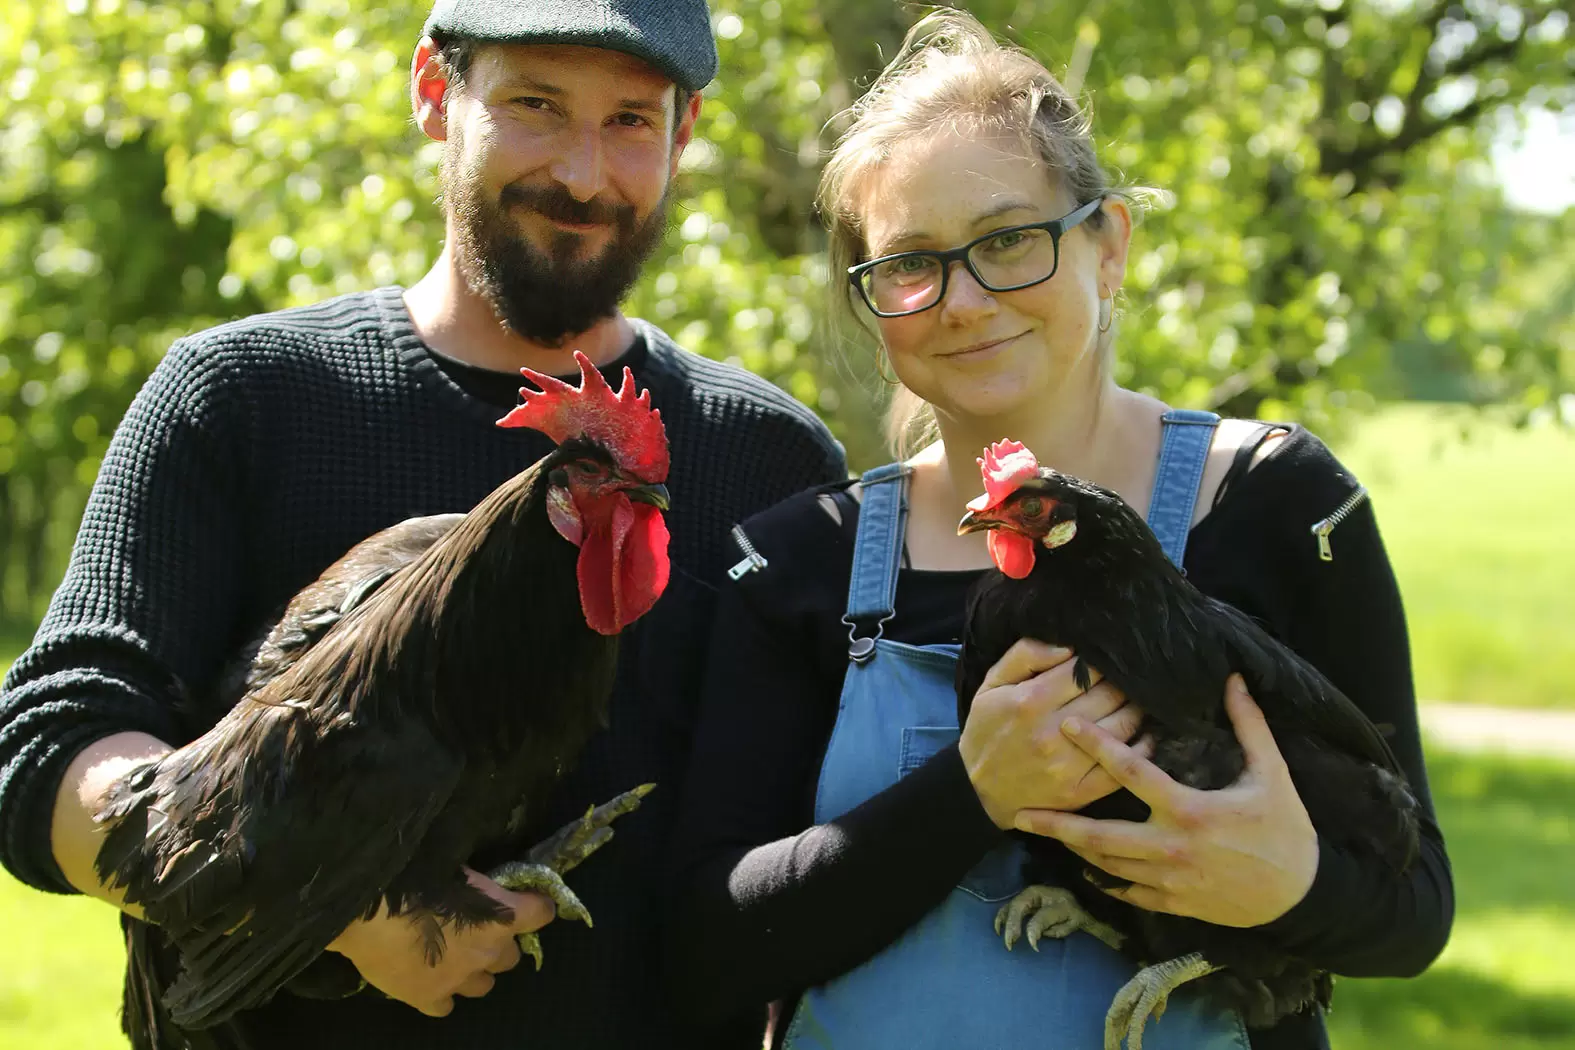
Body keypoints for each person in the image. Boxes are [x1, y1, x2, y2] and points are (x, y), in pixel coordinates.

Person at [0, 1, 845, 1047]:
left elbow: (817, 842)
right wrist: (345, 907)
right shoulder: (241, 401)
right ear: (436, 93)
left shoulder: (771, 460)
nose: (583, 175)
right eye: (537, 105)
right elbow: (50, 747)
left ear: (684, 133)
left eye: (631, 120)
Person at [666, 11, 1452, 1050]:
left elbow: (1415, 907)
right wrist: (974, 792)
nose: (965, 299)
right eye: (912, 263)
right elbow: (705, 951)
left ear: (1109, 244)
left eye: (1007, 241)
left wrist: (1291, 885)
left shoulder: (1279, 509)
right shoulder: (798, 561)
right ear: (872, 305)